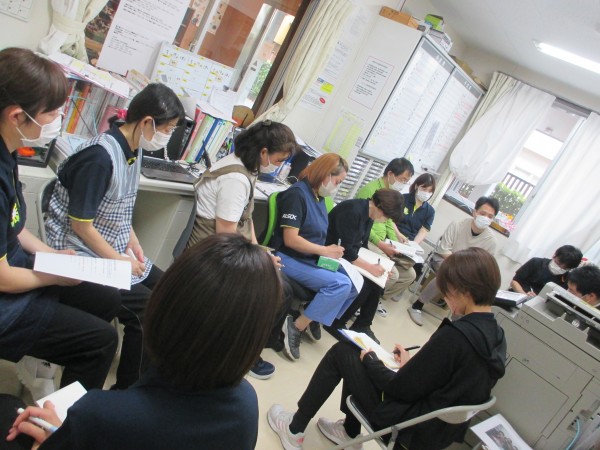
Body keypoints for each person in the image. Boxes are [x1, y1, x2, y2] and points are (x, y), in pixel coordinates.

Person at [5, 234, 282, 450]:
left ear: (160, 307)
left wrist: (56, 438)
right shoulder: (246, 406)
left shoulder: (100, 415)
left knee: (9, 410)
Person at [268, 247, 506, 450]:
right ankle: (349, 431)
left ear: (461, 290)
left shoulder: (454, 337)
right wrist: (410, 365)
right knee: (361, 352)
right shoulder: (496, 336)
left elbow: (398, 388)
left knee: (345, 352)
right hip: (434, 432)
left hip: (405, 426)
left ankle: (294, 429)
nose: (445, 298)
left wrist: (372, 360)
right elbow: (444, 381)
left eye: (446, 291)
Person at [45, 83, 185, 389]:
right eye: (168, 129)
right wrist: (119, 260)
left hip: (110, 246)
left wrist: (133, 241)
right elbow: (81, 226)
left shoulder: (133, 149)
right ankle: (129, 390)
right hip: (77, 252)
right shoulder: (99, 157)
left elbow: (120, 203)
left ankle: (150, 376)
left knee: (170, 290)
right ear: (147, 122)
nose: (168, 136)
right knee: (147, 310)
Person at [0, 47, 119, 391]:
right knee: (101, 342)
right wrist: (49, 275)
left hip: (15, 265)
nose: (57, 119)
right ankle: (64, 421)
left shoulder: (9, 151)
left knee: (106, 297)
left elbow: (14, 226)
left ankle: (42, 360)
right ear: (17, 115)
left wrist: (51, 257)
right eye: (51, 112)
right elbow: (3, 279)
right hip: (6, 291)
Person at [187, 119, 297, 378]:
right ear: (263, 152)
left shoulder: (246, 167)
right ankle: (239, 353)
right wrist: (259, 260)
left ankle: (242, 348)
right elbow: (226, 233)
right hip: (213, 251)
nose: (279, 166)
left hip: (228, 244)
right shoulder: (236, 178)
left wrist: (261, 252)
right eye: (279, 160)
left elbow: (245, 221)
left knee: (282, 286)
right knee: (274, 290)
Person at [270, 153, 358, 360]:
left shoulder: (319, 197)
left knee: (354, 283)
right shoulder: (297, 195)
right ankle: (296, 325)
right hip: (288, 257)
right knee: (341, 284)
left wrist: (327, 252)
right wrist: (325, 251)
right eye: (337, 181)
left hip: (309, 257)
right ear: (325, 174)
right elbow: (291, 240)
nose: (336, 187)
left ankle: (313, 315)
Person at [324, 189, 404, 343]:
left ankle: (362, 324)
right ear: (379, 206)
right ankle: (336, 322)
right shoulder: (352, 211)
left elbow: (362, 245)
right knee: (366, 282)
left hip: (345, 255)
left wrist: (380, 268)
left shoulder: (369, 215)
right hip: (330, 255)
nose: (385, 220)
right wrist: (370, 268)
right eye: (386, 216)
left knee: (377, 281)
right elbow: (346, 250)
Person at [408, 196, 499, 326]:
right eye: (483, 213)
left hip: (468, 272)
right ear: (475, 212)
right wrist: (459, 267)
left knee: (469, 285)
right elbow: (443, 249)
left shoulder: (491, 241)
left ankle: (458, 321)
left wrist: (466, 271)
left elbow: (485, 264)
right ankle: (418, 305)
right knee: (451, 276)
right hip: (444, 259)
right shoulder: (458, 225)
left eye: (490, 216)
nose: (486, 218)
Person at [356, 158, 414, 305]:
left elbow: (389, 221)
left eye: (406, 181)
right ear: (390, 174)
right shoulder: (370, 190)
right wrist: (381, 245)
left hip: (383, 242)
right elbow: (362, 226)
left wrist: (395, 242)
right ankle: (363, 301)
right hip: (368, 240)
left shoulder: (391, 193)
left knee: (409, 275)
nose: (403, 184)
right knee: (393, 275)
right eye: (402, 179)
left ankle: (374, 298)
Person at [510, 245, 582, 296]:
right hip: (518, 295)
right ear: (554, 255)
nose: (560, 268)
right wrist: (524, 295)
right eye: (558, 264)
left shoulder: (568, 279)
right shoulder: (536, 262)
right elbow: (514, 281)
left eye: (565, 268)